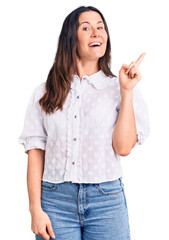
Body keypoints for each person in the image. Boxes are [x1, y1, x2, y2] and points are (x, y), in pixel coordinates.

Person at [19, 5, 150, 240]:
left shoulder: (118, 88)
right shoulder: (45, 92)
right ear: (71, 38)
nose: (96, 33)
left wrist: (127, 91)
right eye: (86, 28)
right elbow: (35, 153)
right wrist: (35, 209)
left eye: (101, 27)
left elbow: (123, 148)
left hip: (106, 202)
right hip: (55, 202)